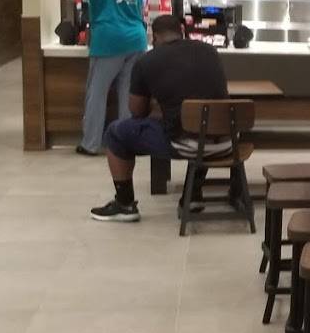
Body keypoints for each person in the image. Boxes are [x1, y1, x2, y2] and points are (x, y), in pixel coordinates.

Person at [89, 14, 228, 222]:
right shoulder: (210, 52)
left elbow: (137, 112)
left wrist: (159, 104)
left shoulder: (146, 61)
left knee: (116, 133)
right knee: (200, 124)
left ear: (154, 37)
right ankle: (192, 196)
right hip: (226, 142)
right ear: (182, 32)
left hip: (186, 145)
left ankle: (125, 204)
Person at [62, 0, 146, 156]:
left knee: (97, 93)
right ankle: (126, 143)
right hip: (137, 40)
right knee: (127, 94)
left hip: (109, 40)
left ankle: (90, 143)